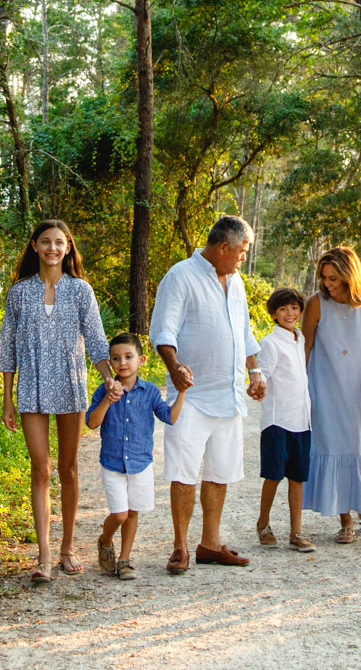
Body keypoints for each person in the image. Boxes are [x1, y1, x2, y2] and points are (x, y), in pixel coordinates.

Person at [149, 214, 266, 574]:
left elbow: (244, 332)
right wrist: (174, 367)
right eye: (242, 251)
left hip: (229, 395)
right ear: (223, 247)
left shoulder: (236, 283)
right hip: (193, 396)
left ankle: (210, 544)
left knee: (220, 470)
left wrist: (255, 371)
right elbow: (163, 330)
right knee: (184, 471)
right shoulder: (180, 276)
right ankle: (180, 546)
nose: (244, 257)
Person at [0, 219, 111, 583]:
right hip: (29, 388)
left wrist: (110, 378)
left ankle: (67, 548)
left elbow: (95, 340)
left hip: (70, 386)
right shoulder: (19, 293)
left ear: (68, 247)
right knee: (41, 469)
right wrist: (7, 399)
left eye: (59, 242)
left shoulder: (81, 291)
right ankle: (44, 554)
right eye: (45, 242)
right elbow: (7, 348)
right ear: (34, 246)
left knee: (69, 469)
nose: (52, 248)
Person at [301, 246, 361, 543]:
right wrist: (299, 386)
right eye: (324, 277)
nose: (327, 283)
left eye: (333, 277)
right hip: (327, 382)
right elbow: (305, 345)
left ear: (348, 275)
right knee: (335, 440)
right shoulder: (316, 303)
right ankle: (345, 519)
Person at [87, 334, 185, 581]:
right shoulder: (103, 390)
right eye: (116, 358)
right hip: (112, 462)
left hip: (140, 462)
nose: (123, 363)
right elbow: (91, 423)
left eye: (128, 357)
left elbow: (169, 417)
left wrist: (182, 392)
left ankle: (125, 559)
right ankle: (105, 540)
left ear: (140, 360)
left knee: (132, 512)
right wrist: (109, 400)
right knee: (119, 513)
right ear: (110, 363)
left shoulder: (149, 391)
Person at [255, 286, 314, 551]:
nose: (289, 313)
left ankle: (296, 532)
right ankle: (264, 524)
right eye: (282, 309)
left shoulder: (301, 339)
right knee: (274, 475)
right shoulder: (269, 342)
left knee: (297, 478)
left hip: (302, 420)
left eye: (294, 308)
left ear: (301, 311)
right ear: (274, 314)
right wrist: (258, 386)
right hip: (277, 420)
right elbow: (262, 373)